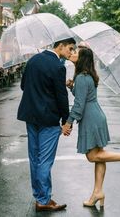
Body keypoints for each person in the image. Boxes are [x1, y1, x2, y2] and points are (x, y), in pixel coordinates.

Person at [62, 47, 120, 208]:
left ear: (82, 58)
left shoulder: (83, 77)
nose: (72, 53)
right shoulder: (83, 76)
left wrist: (68, 122)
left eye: (76, 52)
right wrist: (72, 87)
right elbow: (84, 96)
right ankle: (97, 192)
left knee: (93, 156)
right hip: (95, 115)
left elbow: (79, 105)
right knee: (99, 155)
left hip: (91, 119)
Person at [17, 37, 76, 212]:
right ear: (60, 46)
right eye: (70, 49)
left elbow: (23, 85)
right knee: (45, 160)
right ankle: (43, 199)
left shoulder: (33, 60)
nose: (71, 53)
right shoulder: (58, 66)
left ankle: (39, 195)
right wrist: (66, 121)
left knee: (34, 157)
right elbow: (61, 97)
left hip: (30, 116)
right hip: (48, 119)